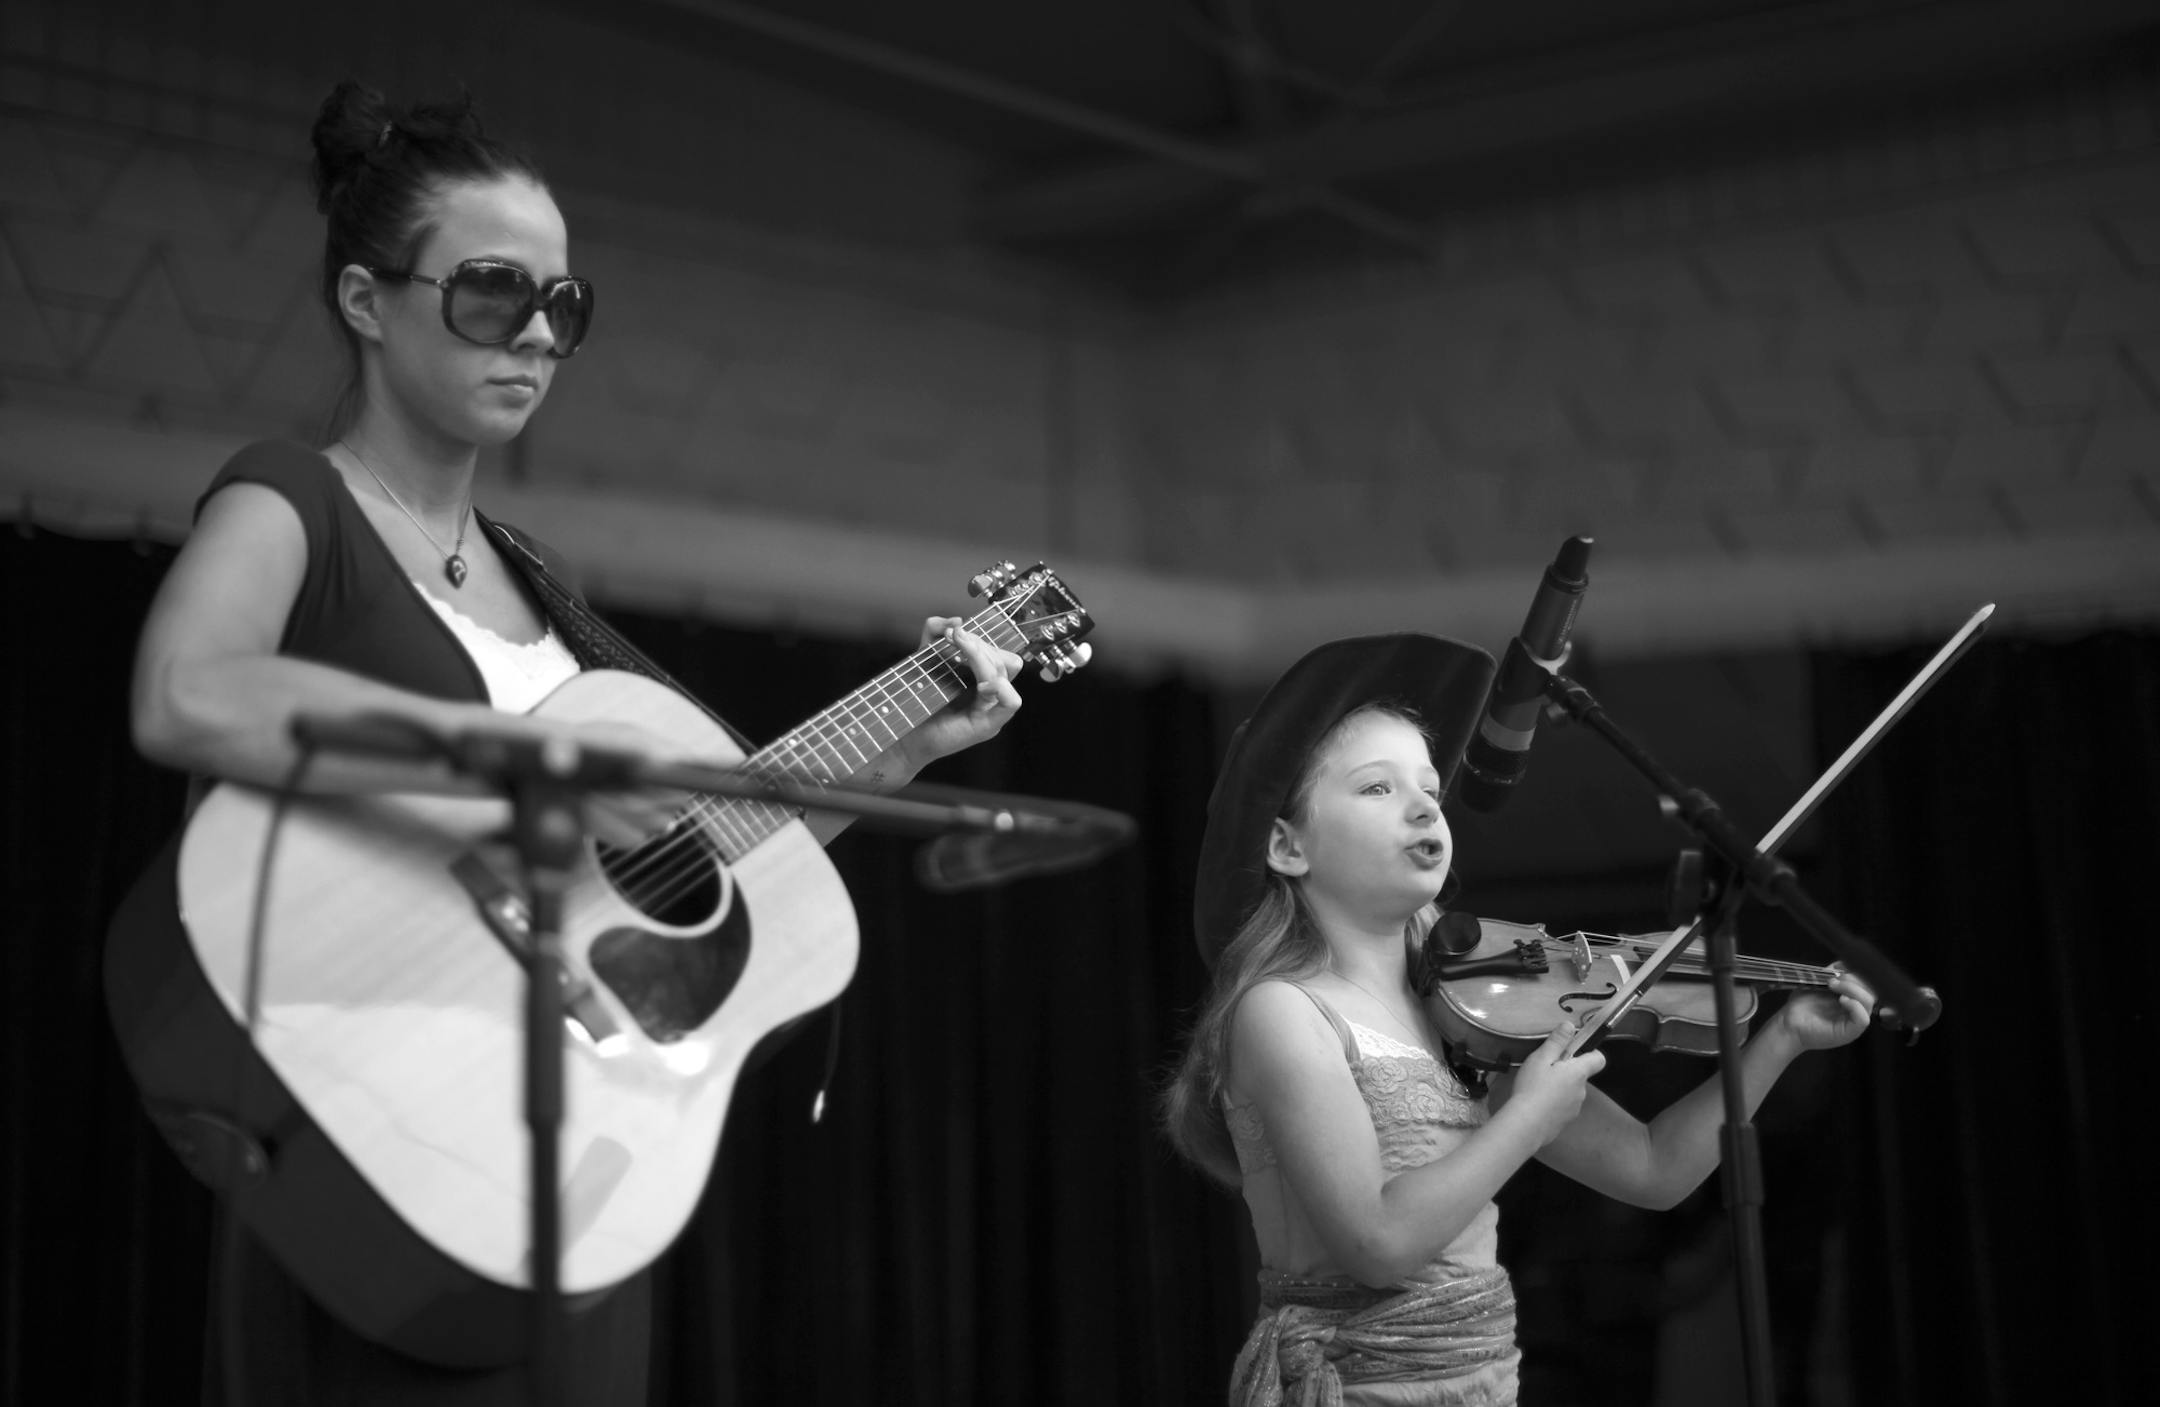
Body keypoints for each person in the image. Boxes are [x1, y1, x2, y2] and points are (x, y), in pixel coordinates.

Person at [116, 81, 1025, 1404]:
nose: (536, 334)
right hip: (366, 1144)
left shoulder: (538, 579)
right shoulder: (293, 498)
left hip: (568, 1173)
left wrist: (896, 757)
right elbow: (186, 696)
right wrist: (527, 769)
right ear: (368, 302)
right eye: (492, 294)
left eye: (564, 306)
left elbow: (677, 871)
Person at [1162, 634, 1876, 1405]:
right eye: (1376, 788)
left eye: (1430, 787)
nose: (1422, 805)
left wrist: (1782, 1039)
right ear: (1287, 843)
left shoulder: (1464, 1010)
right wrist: (1527, 1117)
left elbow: (1652, 1168)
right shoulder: (1284, 1010)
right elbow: (1378, 1242)